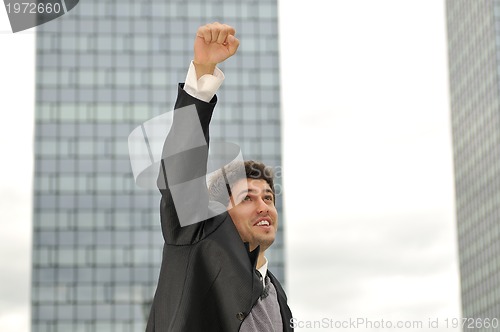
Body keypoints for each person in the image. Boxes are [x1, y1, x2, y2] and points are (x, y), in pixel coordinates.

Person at [146, 22, 293, 332]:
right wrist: (202, 76)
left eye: (268, 198)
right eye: (247, 199)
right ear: (218, 211)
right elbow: (181, 172)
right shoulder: (196, 238)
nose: (263, 206)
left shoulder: (276, 293)